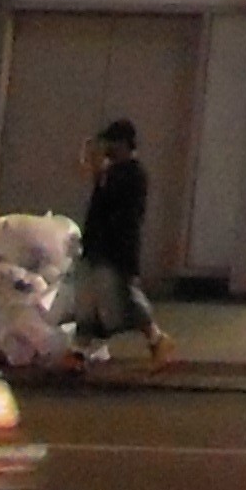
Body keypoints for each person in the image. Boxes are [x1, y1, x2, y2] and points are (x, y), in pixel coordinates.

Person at [72, 119, 167, 363]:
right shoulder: (113, 173)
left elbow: (118, 213)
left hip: (114, 251)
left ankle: (156, 339)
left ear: (124, 144)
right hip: (100, 249)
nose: (107, 148)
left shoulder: (132, 174)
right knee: (89, 301)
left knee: (121, 301)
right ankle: (79, 350)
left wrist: (100, 173)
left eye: (112, 143)